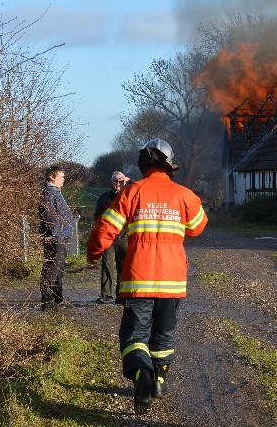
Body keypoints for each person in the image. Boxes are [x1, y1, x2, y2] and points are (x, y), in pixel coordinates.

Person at [87, 138, 207, 412]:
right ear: (169, 166)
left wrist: (93, 253)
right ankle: (160, 378)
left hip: (137, 278)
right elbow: (197, 227)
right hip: (172, 280)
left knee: (134, 336)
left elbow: (106, 227)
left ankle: (141, 373)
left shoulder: (131, 192)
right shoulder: (184, 194)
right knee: (164, 334)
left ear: (143, 164)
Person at [38, 164, 76, 310]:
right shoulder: (49, 193)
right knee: (52, 267)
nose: (63, 179)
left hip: (59, 236)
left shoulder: (54, 192)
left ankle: (57, 298)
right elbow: (50, 217)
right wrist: (57, 236)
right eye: (61, 177)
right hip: (56, 237)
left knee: (57, 268)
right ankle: (47, 300)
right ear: (52, 177)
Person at [93, 170, 130, 304]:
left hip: (124, 237)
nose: (118, 184)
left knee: (123, 267)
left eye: (121, 181)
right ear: (111, 183)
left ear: (125, 182)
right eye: (116, 181)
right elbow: (97, 215)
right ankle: (107, 295)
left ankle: (122, 295)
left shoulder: (130, 196)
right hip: (107, 238)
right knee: (107, 265)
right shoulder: (104, 197)